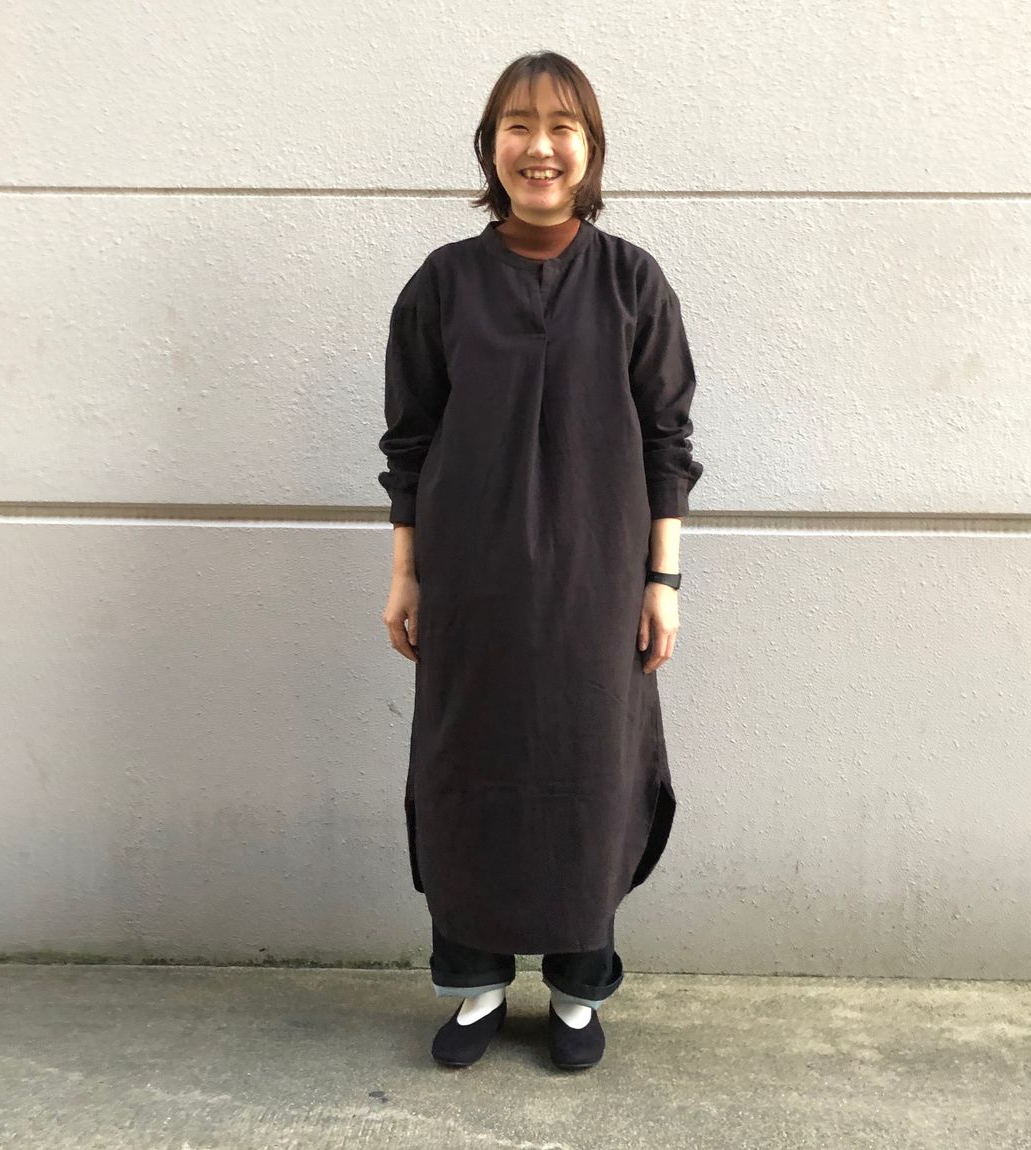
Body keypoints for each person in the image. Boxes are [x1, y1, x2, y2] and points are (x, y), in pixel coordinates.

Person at [378, 51, 704, 1071]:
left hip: (598, 586)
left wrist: (662, 582)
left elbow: (667, 443)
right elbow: (409, 443)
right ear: (491, 148)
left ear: (590, 150)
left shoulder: (632, 282)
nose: (540, 146)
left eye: (562, 126)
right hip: (470, 581)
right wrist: (405, 573)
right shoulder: (442, 284)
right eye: (517, 125)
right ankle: (473, 982)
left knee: (591, 768)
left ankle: (577, 988)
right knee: (466, 767)